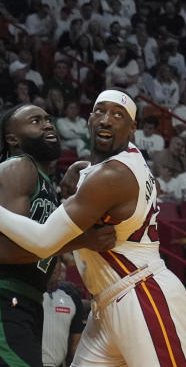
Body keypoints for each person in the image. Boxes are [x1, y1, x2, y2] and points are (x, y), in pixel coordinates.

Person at [0, 90, 186, 366]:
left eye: (118, 115)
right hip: (106, 304)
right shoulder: (117, 163)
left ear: (132, 129)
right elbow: (99, 172)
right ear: (89, 119)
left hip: (142, 293)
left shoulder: (110, 175)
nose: (107, 120)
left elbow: (43, 242)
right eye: (100, 111)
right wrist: (82, 167)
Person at [0, 103, 116, 367]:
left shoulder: (40, 179)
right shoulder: (18, 168)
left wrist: (82, 169)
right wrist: (82, 240)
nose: (47, 124)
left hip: (27, 300)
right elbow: (5, 250)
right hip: (5, 297)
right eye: (35, 120)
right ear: (12, 138)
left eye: (48, 119)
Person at [41, 256, 84, 367]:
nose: (52, 266)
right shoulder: (28, 295)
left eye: (56, 262)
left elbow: (75, 344)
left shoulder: (71, 297)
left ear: (61, 266)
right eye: (47, 261)